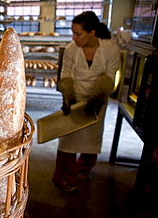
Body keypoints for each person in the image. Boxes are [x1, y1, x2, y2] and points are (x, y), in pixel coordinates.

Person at [52, 11, 120, 194]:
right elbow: (65, 74)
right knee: (68, 140)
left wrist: (98, 98)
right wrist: (68, 97)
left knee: (91, 139)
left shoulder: (110, 48)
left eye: (78, 34)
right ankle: (64, 177)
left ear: (92, 32)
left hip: (97, 98)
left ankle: (83, 170)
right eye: (72, 33)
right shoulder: (72, 49)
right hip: (76, 96)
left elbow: (109, 76)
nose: (74, 38)